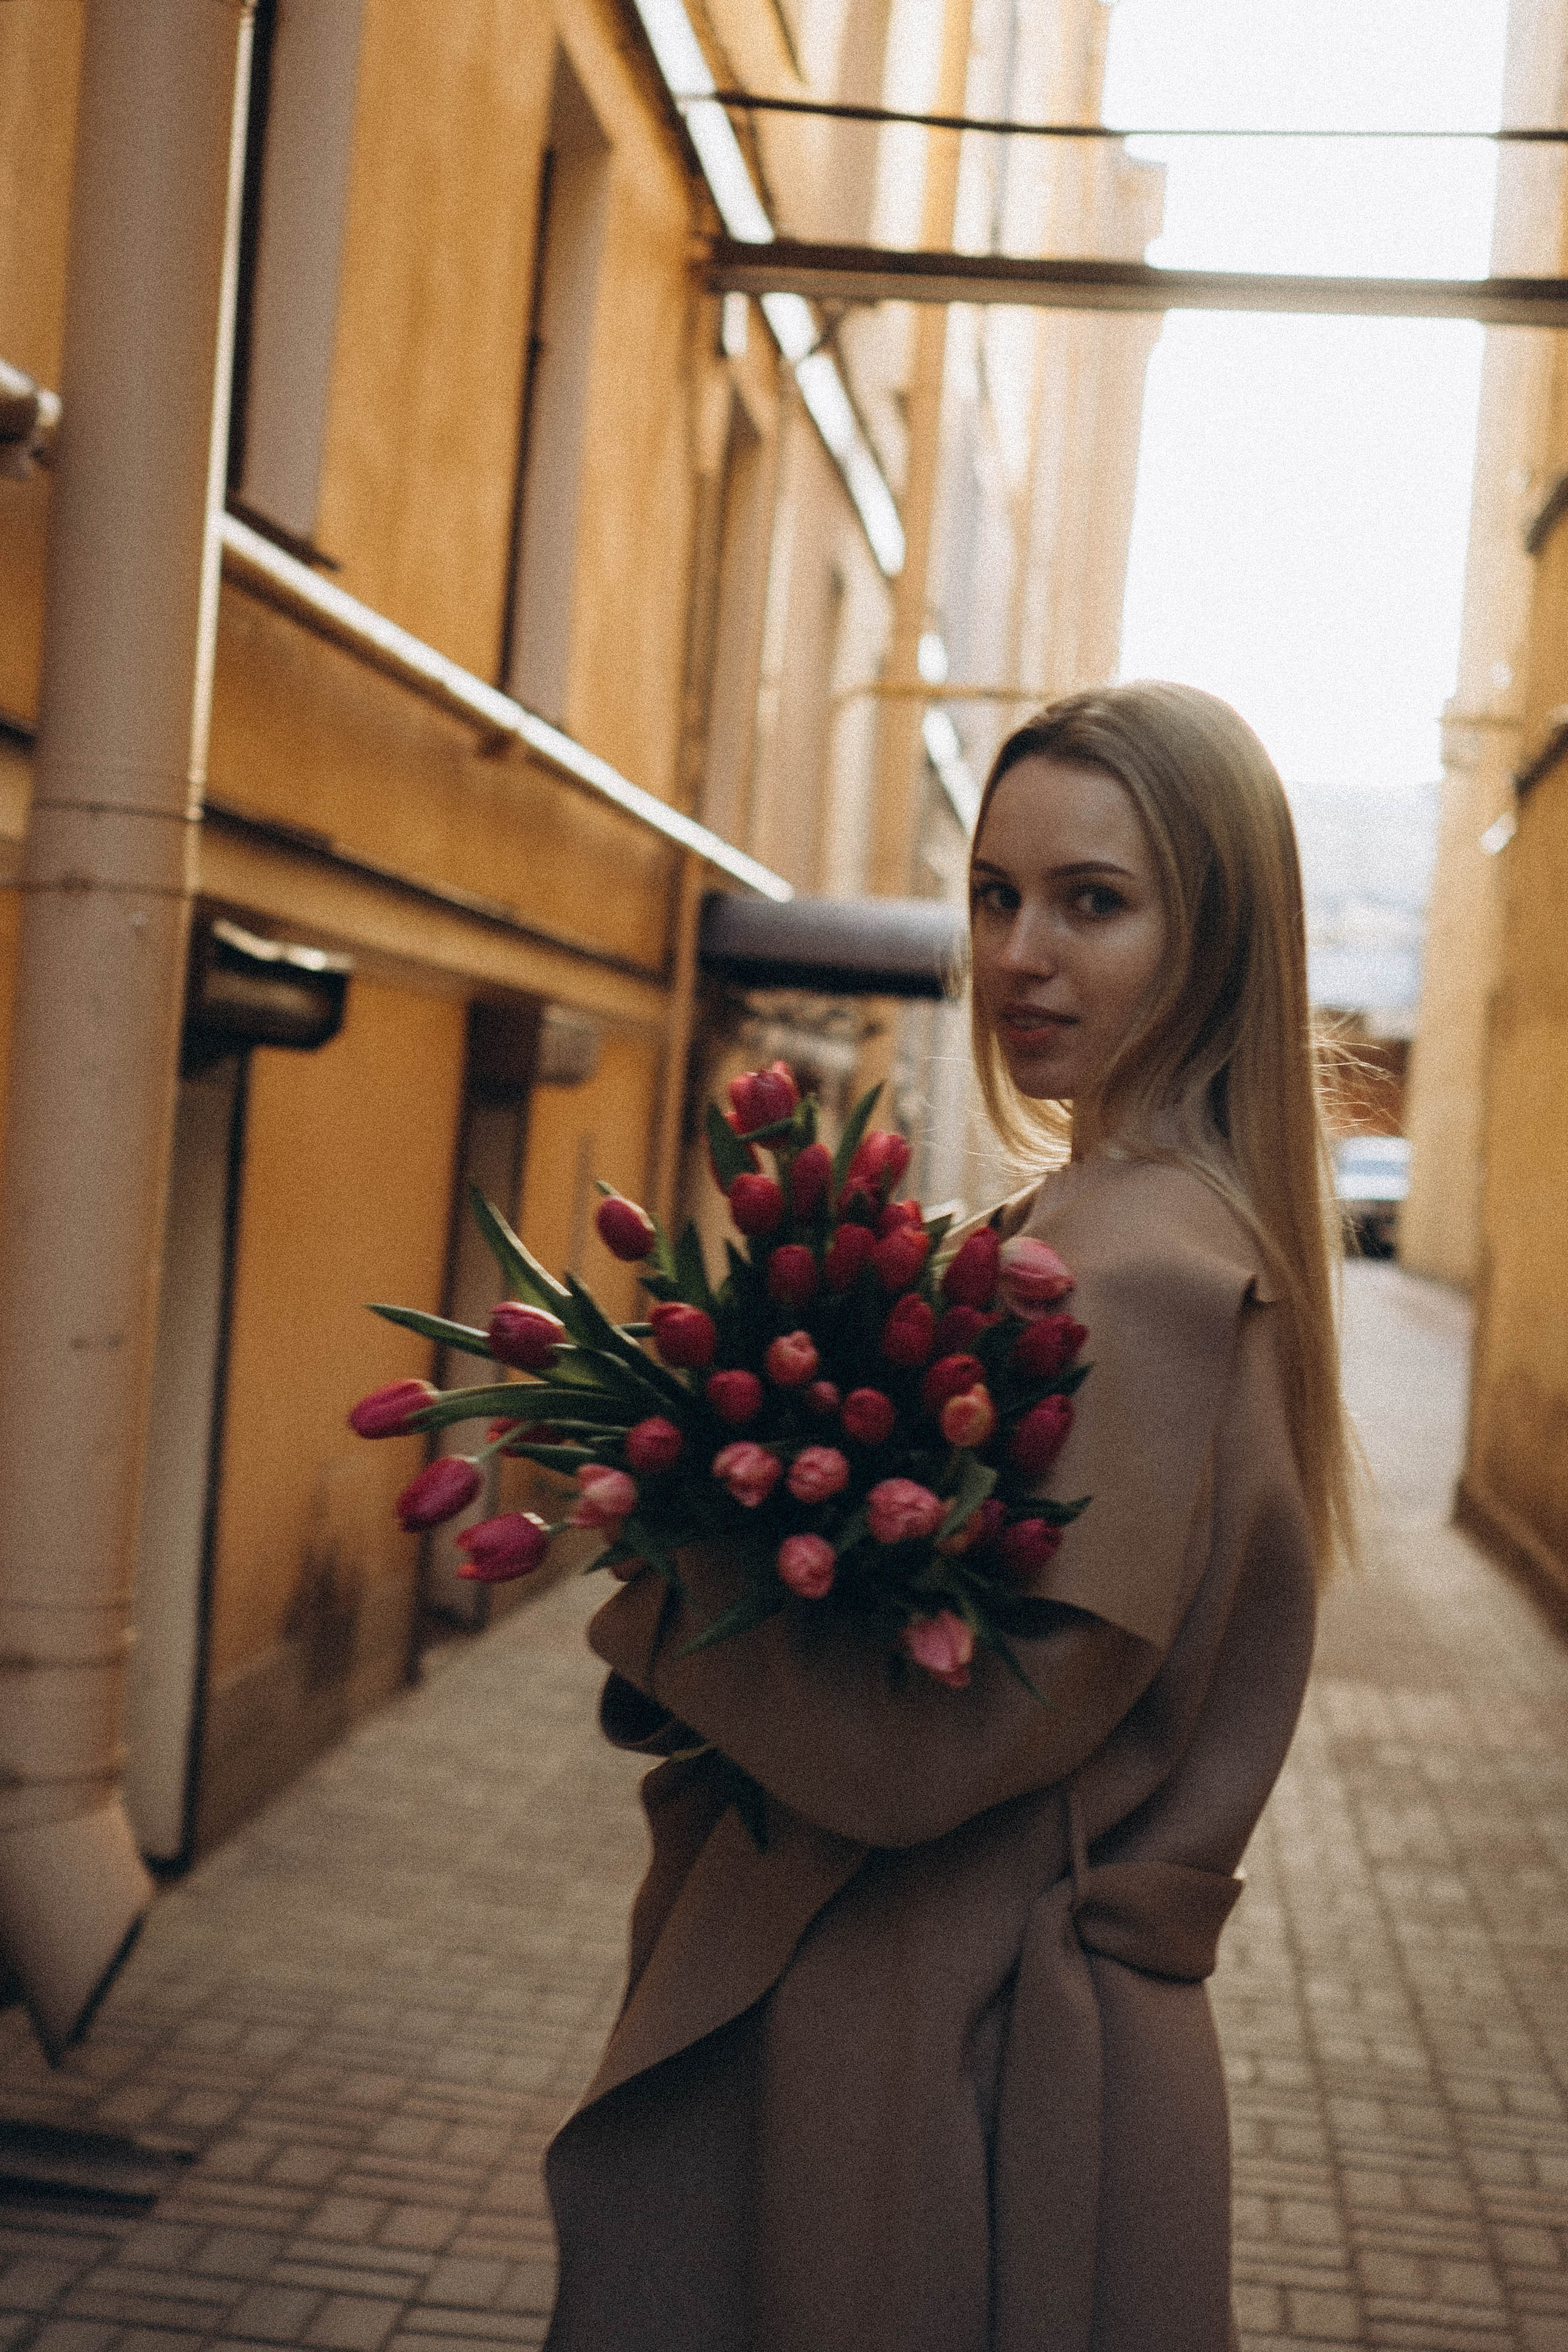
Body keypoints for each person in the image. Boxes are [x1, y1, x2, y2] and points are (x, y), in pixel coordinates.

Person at [542, 680, 1354, 2352]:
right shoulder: (1108, 1223)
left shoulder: (1142, 1273)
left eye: (1094, 903)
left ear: (1219, 943)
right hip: (975, 2023)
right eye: (995, 895)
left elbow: (934, 1756)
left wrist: (668, 1564)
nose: (1020, 954)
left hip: (957, 2047)